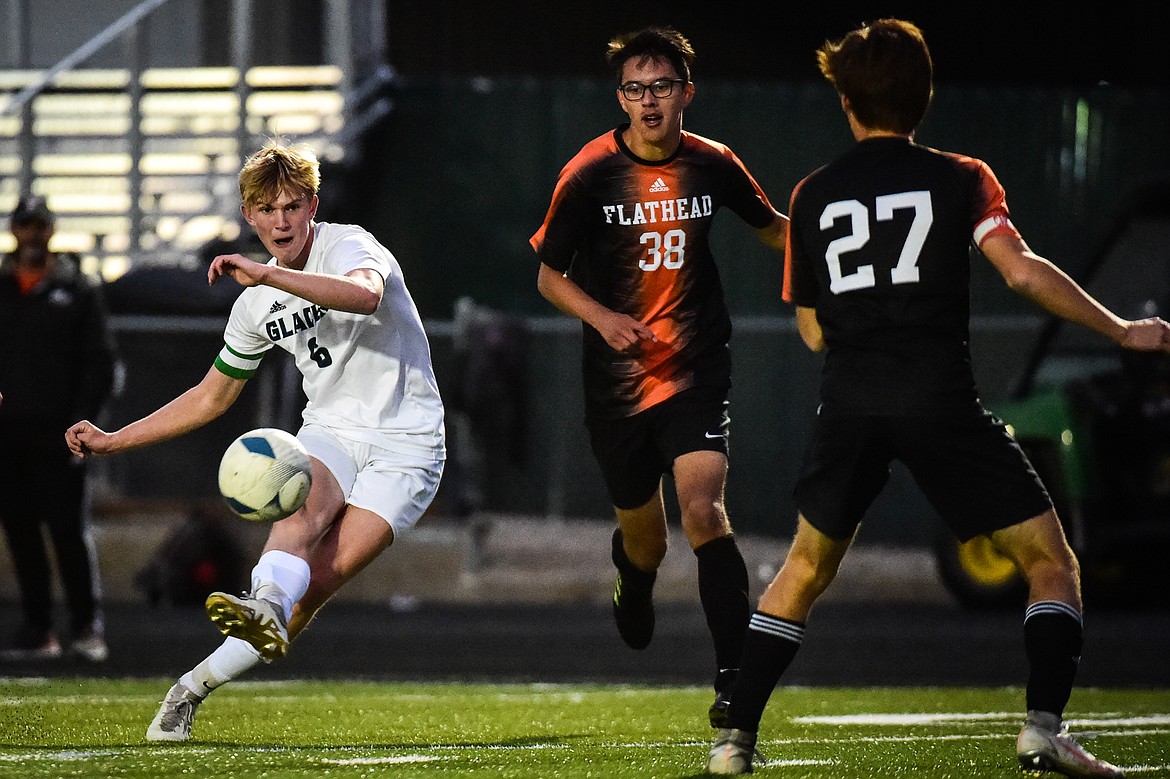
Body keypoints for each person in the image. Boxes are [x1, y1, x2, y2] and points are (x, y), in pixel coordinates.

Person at [705, 19, 1168, 777]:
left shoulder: (813, 194)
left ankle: (734, 743)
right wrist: (1120, 328)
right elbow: (1019, 271)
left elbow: (815, 333)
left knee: (804, 568)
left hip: (850, 403)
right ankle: (1044, 728)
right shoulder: (962, 176)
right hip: (938, 399)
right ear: (924, 96)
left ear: (848, 103)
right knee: (1051, 561)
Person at [66, 141, 446, 741]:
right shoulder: (253, 304)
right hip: (332, 430)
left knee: (315, 582)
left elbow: (365, 295)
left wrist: (272, 274)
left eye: (293, 206)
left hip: (409, 442)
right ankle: (261, 605)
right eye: (266, 209)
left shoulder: (348, 245)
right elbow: (211, 397)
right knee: (298, 518)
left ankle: (191, 686)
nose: (281, 220)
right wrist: (116, 440)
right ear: (249, 215)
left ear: (313, 205)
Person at [530, 26, 789, 728]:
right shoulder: (588, 172)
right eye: (636, 88)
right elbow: (549, 276)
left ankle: (735, 681)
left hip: (696, 366)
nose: (649, 100)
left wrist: (832, 248)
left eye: (662, 86)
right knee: (648, 538)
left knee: (704, 508)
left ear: (686, 94)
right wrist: (604, 317)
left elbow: (774, 228)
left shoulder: (714, 163)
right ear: (621, 97)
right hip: (616, 384)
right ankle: (634, 579)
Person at [0, 195, 118, 663]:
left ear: (49, 231)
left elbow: (99, 363)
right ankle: (38, 628)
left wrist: (84, 423)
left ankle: (88, 627)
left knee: (68, 529)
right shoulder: (1, 287)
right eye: (23, 226)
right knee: (20, 529)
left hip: (59, 433)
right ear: (15, 230)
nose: (31, 234)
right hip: (7, 435)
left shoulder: (78, 289)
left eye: (38, 226)